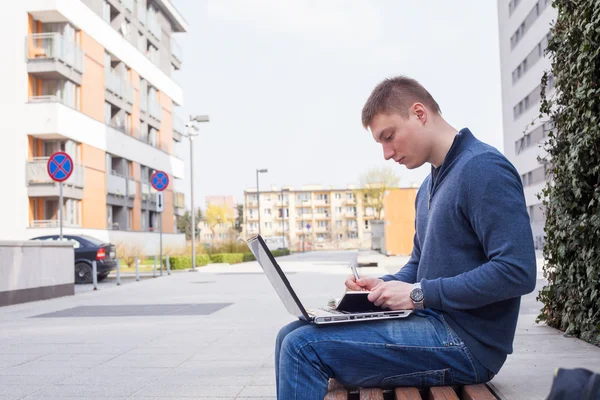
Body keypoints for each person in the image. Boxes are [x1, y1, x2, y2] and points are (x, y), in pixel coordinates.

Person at [274, 76, 537, 399]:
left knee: (302, 347)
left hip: (467, 344)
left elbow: (518, 271)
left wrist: (417, 295)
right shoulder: (429, 186)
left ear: (419, 113)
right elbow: (418, 266)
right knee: (290, 334)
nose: (386, 154)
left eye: (389, 136)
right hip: (431, 325)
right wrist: (382, 286)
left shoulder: (483, 169)